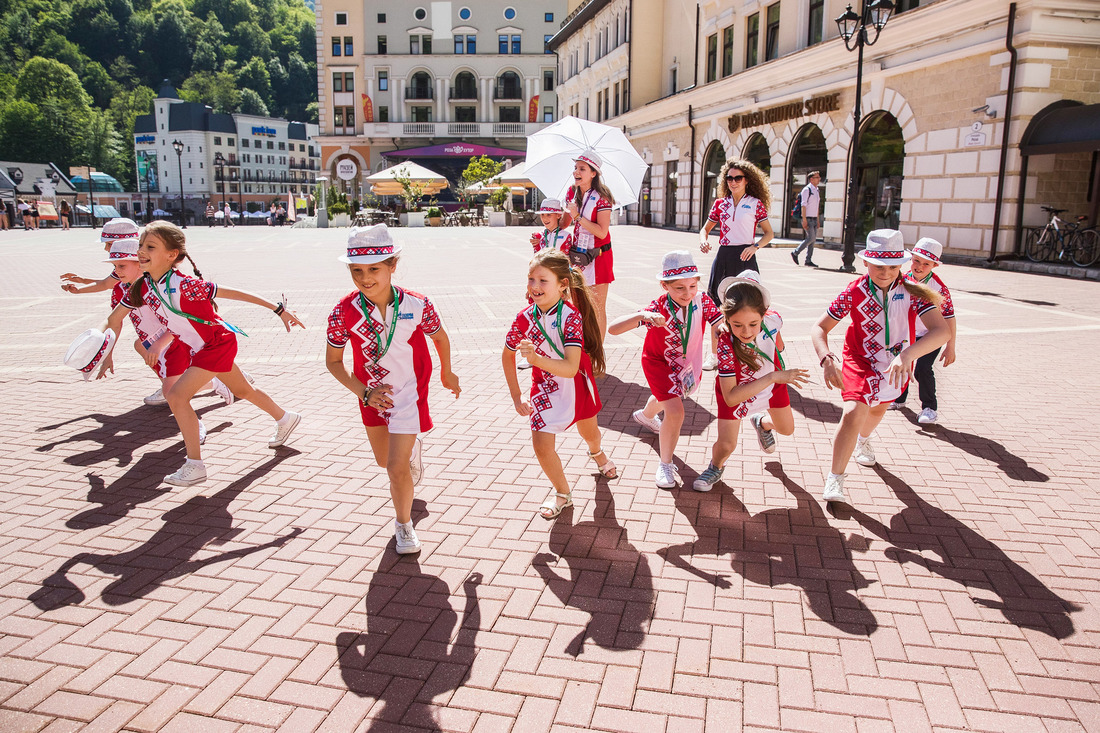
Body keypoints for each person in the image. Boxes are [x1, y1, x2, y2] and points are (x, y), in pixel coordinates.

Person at [97, 221, 305, 487]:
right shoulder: (143, 286)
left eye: (150, 246)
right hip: (202, 348)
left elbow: (234, 292)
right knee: (243, 391)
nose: (141, 251)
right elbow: (114, 319)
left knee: (176, 395)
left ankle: (194, 465)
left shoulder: (186, 285)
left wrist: (278, 310)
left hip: (217, 343)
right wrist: (104, 350)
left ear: (172, 255)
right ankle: (285, 418)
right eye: (140, 245)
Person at [325, 225, 461, 555]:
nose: (365, 278)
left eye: (374, 269)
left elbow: (440, 337)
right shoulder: (343, 312)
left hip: (410, 394)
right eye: (357, 270)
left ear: (392, 266)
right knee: (383, 462)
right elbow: (333, 362)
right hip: (370, 397)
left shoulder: (418, 304)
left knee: (395, 470)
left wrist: (447, 372)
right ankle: (411, 451)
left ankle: (404, 524)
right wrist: (365, 393)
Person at [810, 229, 949, 504]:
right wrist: (826, 358)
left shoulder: (914, 292)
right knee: (853, 412)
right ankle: (835, 478)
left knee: (878, 409)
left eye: (893, 267)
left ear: (901, 265)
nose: (886, 272)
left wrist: (907, 355)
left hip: (896, 365)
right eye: (879, 266)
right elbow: (819, 328)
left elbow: (941, 332)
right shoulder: (854, 291)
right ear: (866, 263)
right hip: (858, 360)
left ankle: (864, 439)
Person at [502, 248, 616, 520]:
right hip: (544, 388)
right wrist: (517, 396)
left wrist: (536, 359)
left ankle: (597, 453)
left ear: (562, 284)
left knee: (590, 432)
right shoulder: (524, 318)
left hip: (576, 385)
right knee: (541, 446)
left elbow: (570, 368)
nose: (535, 286)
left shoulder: (571, 316)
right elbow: (507, 355)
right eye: (531, 279)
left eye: (543, 281)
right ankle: (562, 493)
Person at [607, 251, 723, 489]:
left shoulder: (703, 300)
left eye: (692, 285)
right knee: (676, 411)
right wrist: (643, 315)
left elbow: (718, 322)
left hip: (688, 365)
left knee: (669, 400)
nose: (688, 293)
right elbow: (613, 330)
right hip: (658, 364)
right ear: (664, 286)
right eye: (679, 288)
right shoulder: (657, 308)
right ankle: (665, 464)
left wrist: (726, 331)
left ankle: (646, 416)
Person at [694, 272, 810, 492]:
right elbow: (730, 398)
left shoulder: (774, 319)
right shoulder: (725, 343)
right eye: (737, 324)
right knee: (727, 445)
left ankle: (762, 423)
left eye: (753, 323)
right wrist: (774, 376)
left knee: (786, 429)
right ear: (726, 318)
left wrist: (774, 366)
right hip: (739, 390)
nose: (745, 332)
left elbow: (779, 343)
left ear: (764, 314)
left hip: (772, 384)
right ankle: (716, 466)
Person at [95, 237, 234, 416]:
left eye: (121, 266)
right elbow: (115, 321)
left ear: (139, 264)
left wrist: (159, 344)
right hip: (152, 343)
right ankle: (214, 383)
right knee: (147, 354)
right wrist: (107, 354)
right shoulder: (119, 290)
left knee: (173, 394)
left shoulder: (155, 286)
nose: (116, 272)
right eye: (114, 267)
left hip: (174, 341)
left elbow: (178, 320)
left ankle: (196, 425)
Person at [699, 159, 774, 370]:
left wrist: (755, 247)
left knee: (749, 305)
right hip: (724, 256)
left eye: (738, 178)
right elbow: (705, 229)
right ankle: (714, 355)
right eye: (729, 178)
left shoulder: (755, 204)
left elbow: (769, 233)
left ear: (746, 180)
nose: (733, 182)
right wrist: (703, 241)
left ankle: (748, 354)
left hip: (745, 256)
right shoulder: (720, 204)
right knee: (717, 307)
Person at [890, 238, 956, 424]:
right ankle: (899, 399)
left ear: (934, 265)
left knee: (923, 369)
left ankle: (929, 408)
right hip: (906, 333)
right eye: (916, 260)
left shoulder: (939, 288)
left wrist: (950, 346)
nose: (919, 266)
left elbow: (950, 318)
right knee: (902, 364)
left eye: (926, 263)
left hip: (930, 336)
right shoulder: (900, 279)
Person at [564, 150, 615, 338]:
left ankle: (598, 356)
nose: (576, 172)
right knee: (578, 305)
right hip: (578, 256)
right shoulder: (572, 192)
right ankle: (583, 351)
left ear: (593, 173)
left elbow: (602, 231)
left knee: (597, 308)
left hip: (599, 256)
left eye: (582, 169)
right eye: (575, 168)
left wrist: (577, 215)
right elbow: (564, 224)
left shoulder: (602, 197)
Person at [61, 218, 144, 296]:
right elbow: (107, 283)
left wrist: (81, 284)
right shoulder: (124, 265)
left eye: (110, 244)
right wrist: (82, 281)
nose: (106, 248)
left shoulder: (133, 263)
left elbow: (107, 284)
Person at [791, 171, 821, 267]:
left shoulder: (817, 190)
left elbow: (817, 206)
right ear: (811, 179)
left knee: (813, 240)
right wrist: (804, 219)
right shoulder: (807, 190)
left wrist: (818, 219)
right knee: (811, 238)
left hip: (814, 218)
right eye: (817, 177)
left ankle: (808, 260)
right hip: (807, 218)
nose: (819, 179)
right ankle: (795, 252)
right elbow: (803, 205)